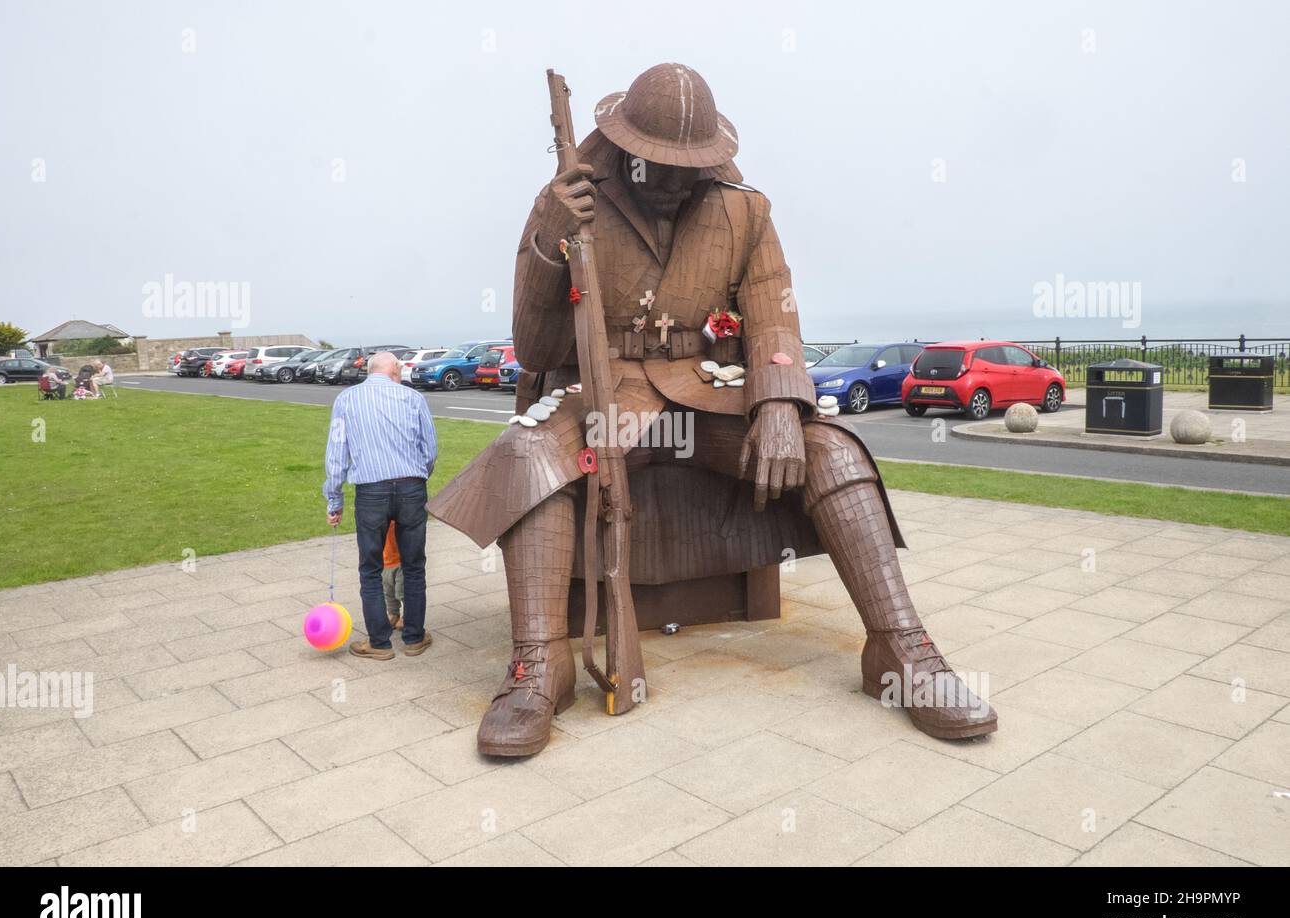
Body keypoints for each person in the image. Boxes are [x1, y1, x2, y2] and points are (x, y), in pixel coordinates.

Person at [428, 63, 997, 757]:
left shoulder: (744, 209)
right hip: (604, 399)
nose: (673, 181)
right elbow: (536, 344)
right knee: (526, 458)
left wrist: (782, 405)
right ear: (627, 147)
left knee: (837, 453)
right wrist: (549, 242)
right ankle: (540, 666)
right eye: (659, 166)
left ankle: (899, 649)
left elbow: (775, 317)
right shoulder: (569, 200)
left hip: (704, 398)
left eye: (687, 168)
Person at [323, 351, 436, 660]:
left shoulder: (347, 400)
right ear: (393, 371)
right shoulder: (413, 399)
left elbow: (337, 453)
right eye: (399, 371)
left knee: (370, 567)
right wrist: (418, 476)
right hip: (412, 487)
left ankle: (379, 642)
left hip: (371, 491)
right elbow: (430, 449)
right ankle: (413, 637)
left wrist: (335, 498)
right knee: (414, 566)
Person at [382, 520, 405, 630]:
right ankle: (393, 614)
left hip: (400, 562)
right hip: (385, 562)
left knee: (402, 592)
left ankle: (408, 616)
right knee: (388, 592)